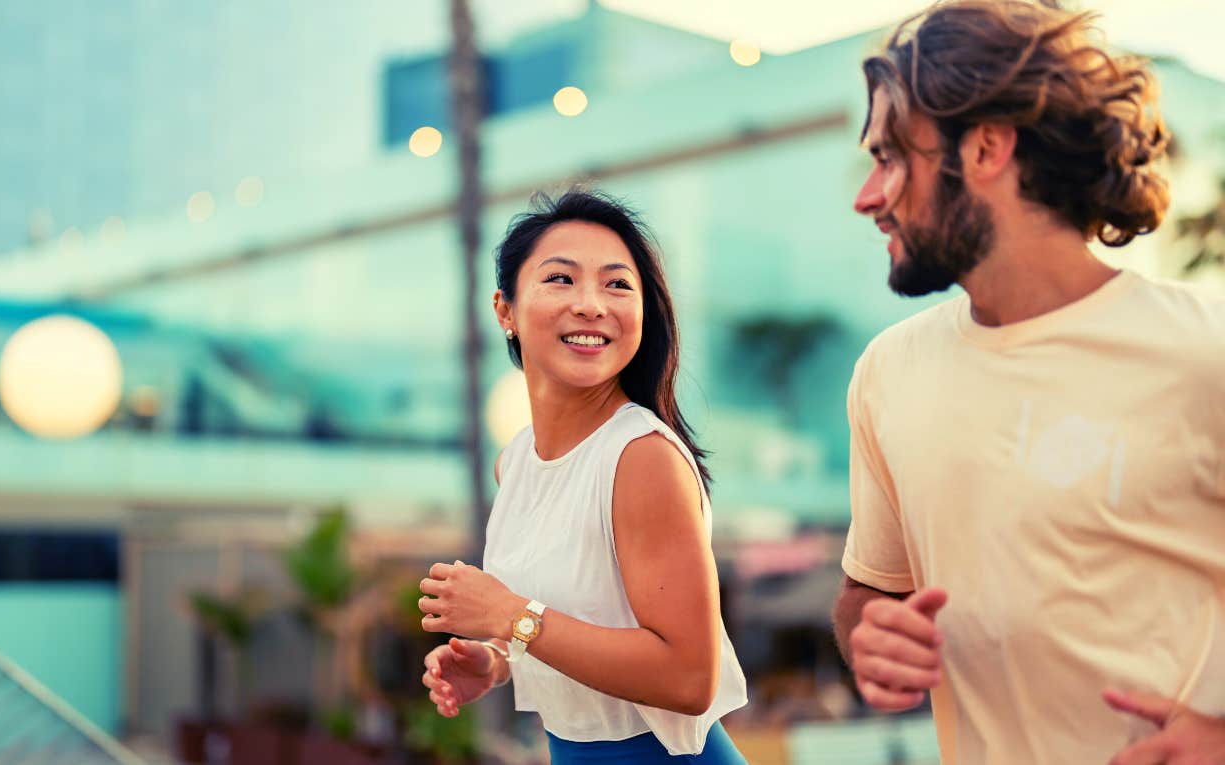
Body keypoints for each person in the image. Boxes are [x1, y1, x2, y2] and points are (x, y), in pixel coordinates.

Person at [832, 1, 1225, 762]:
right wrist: (868, 637)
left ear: (984, 148)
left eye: (890, 158)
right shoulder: (887, 372)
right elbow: (869, 594)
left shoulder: (1206, 352)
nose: (869, 197)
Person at [416, 190, 748, 763]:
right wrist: (496, 662)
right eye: (561, 280)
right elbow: (580, 618)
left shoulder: (642, 457)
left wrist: (509, 616)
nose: (592, 304)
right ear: (505, 311)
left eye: (618, 284)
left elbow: (688, 679)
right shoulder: (516, 460)